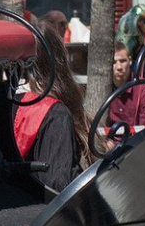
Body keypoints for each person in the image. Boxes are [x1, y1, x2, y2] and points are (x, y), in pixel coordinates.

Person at [13, 26, 89, 193]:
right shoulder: (55, 114)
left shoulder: (2, 102)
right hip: (42, 211)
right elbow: (59, 184)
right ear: (58, 62)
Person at [107, 40, 145, 132]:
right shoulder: (103, 90)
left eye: (123, 61)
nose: (119, 67)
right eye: (114, 62)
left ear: (130, 61)